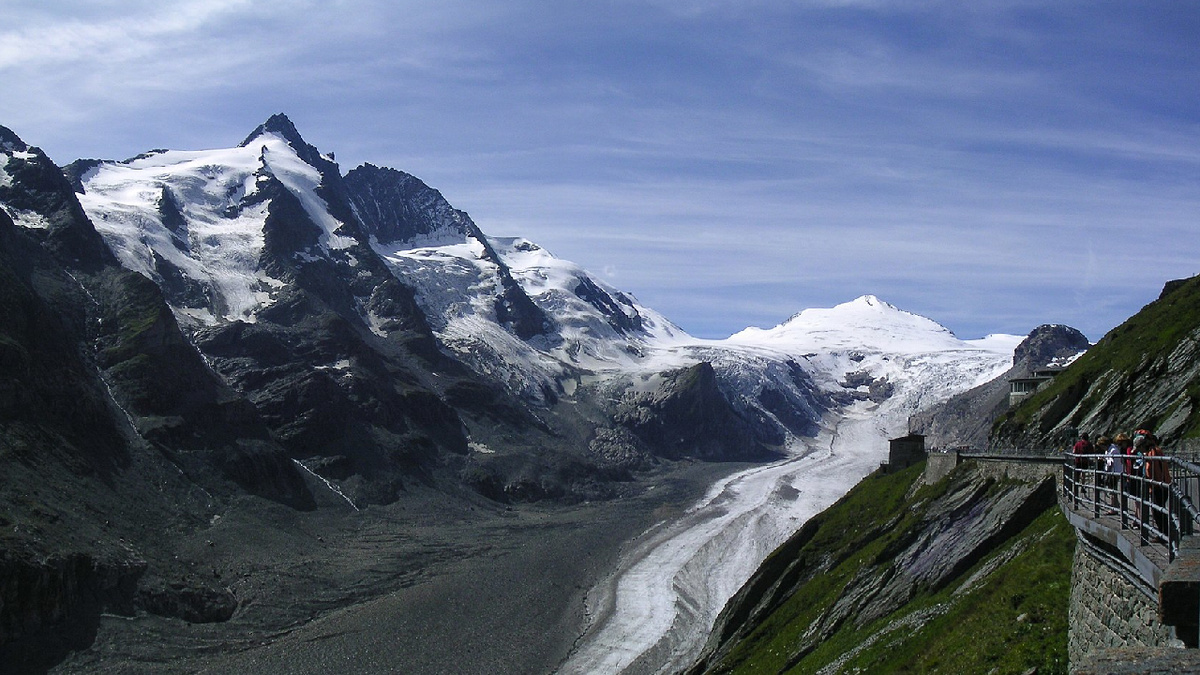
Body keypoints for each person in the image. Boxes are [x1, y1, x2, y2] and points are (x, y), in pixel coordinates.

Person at [1144, 434, 1171, 536]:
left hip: (1159, 485)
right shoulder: (1153, 451)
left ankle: (1164, 533)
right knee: (1157, 510)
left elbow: (1156, 469)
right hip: (1158, 484)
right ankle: (1163, 532)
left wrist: (1158, 483)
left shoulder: (1154, 452)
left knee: (1158, 510)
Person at [1072, 432, 1094, 499]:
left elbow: (1074, 452)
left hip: (1078, 460)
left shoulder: (1078, 443)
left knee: (1077, 474)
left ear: (1082, 437)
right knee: (1083, 474)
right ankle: (1082, 486)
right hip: (1085, 461)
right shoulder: (1089, 444)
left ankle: (1075, 487)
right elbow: (1092, 452)